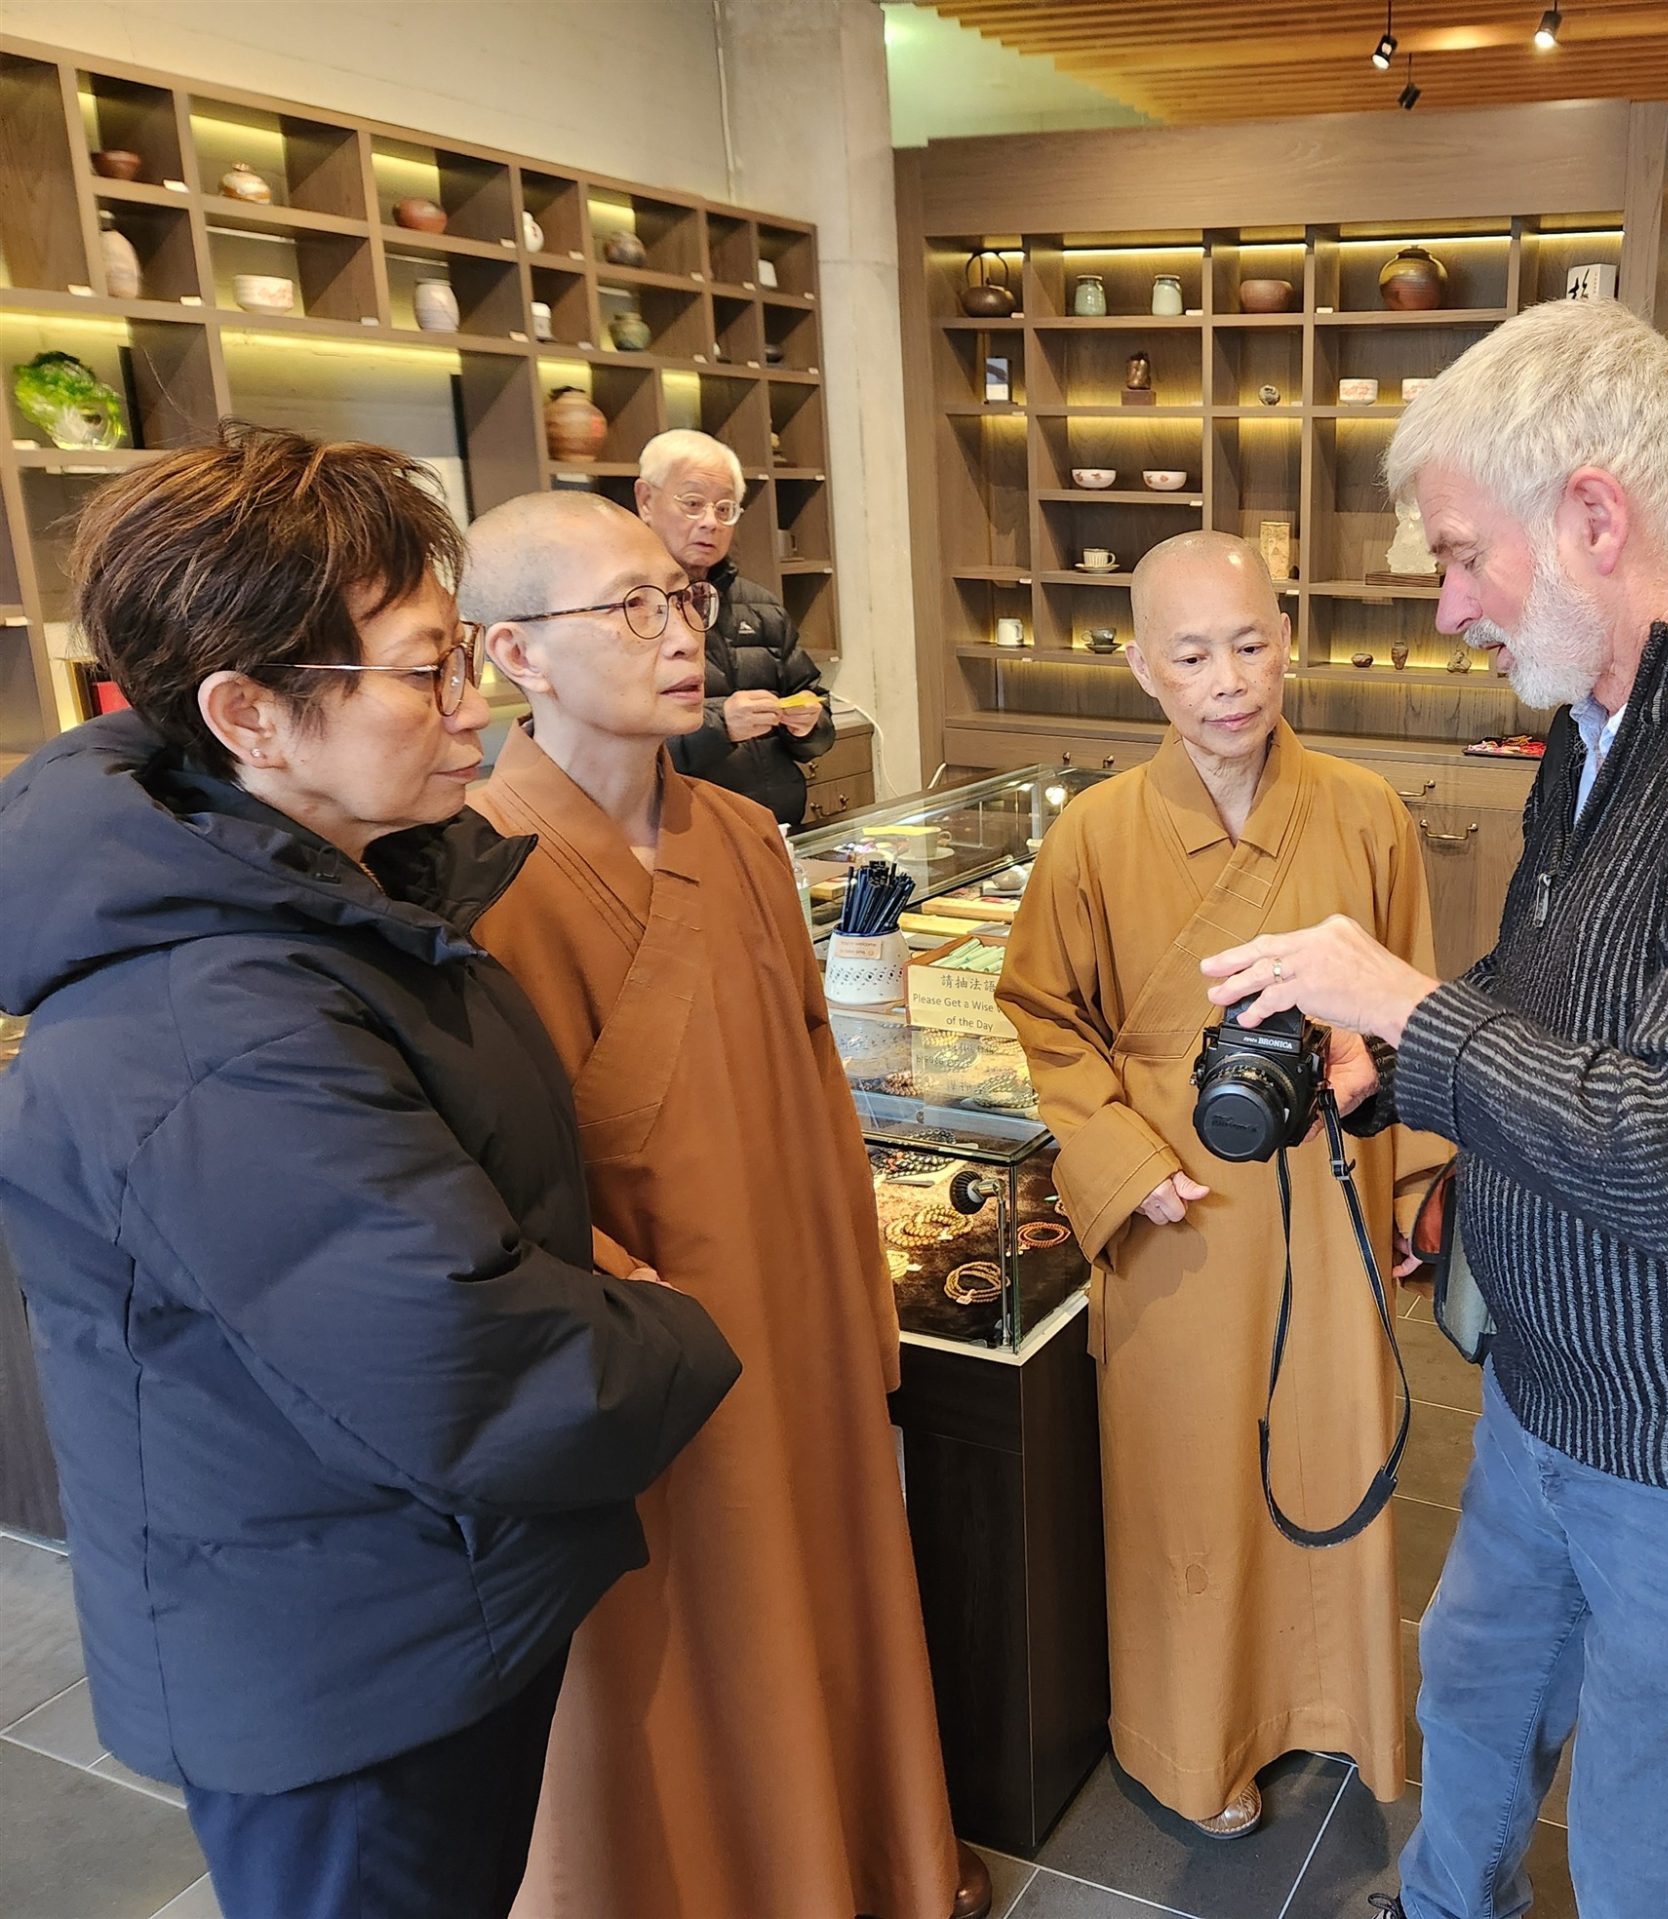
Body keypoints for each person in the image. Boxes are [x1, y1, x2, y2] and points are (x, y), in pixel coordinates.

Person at [1194, 300, 1668, 1919]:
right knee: (1475, 1703)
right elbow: (1552, 983)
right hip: (1551, 1385)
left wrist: (1409, 1004)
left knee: (1653, 1848)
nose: (1448, 601)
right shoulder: (1600, 719)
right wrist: (1388, 1060)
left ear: (1594, 517)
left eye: (1464, 553)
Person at [0, 426, 738, 1919]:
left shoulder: (337, 887)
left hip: (399, 1587)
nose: (473, 703)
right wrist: (680, 1325)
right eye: (423, 670)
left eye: (462, 653)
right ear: (249, 714)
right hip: (338, 1657)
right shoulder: (205, 1019)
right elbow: (462, 1363)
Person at [455, 491, 991, 1919]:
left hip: (796, 1299)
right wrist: (634, 1327)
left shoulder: (747, 838)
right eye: (628, 606)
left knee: (825, 1587)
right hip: (642, 1346)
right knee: (677, 1642)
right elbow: (495, 1183)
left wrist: (859, 1299)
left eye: (680, 599)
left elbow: (817, 1089)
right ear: (514, 651)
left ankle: (865, 1862)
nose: (678, 630)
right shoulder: (475, 875)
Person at [995, 531, 1452, 1838]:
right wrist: (1119, 1160)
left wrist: (1406, 1171)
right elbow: (1045, 1018)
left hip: (1329, 1184)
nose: (1229, 679)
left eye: (1250, 644)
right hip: (1176, 1204)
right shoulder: (1095, 833)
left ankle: (1332, 1705)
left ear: (1287, 641)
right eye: (1192, 655)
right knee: (1189, 1487)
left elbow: (1416, 1001)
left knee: (1328, 1450)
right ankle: (1195, 1743)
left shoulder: (1365, 811)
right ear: (1144, 668)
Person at [636, 428, 834, 827]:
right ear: (646, 500)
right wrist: (721, 725)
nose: (710, 522)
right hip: (681, 833)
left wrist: (809, 724)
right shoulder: (626, 610)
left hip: (774, 828)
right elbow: (620, 744)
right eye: (693, 504)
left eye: (725, 508)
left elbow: (817, 713)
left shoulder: (762, 606)